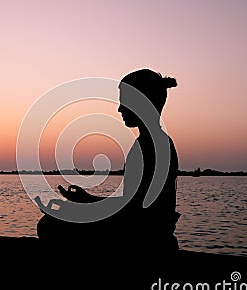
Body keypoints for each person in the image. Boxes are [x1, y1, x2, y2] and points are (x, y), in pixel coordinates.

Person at [35, 68, 180, 254]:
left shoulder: (152, 146)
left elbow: (136, 213)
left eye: (125, 101)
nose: (119, 108)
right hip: (144, 229)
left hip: (145, 237)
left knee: (49, 226)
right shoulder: (152, 142)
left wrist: (82, 208)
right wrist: (86, 200)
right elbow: (133, 205)